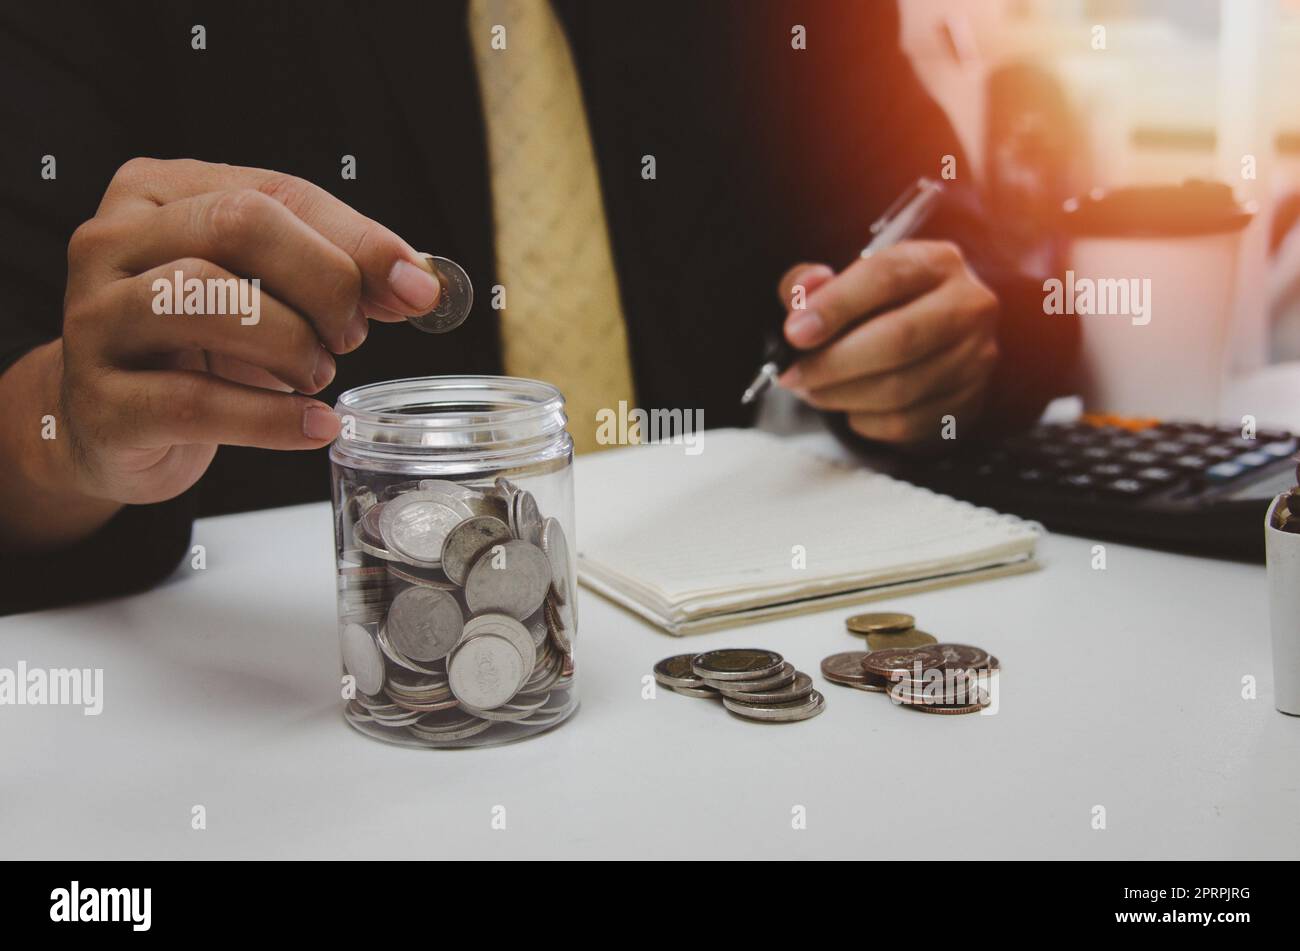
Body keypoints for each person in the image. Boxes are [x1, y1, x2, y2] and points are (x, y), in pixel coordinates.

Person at [0, 0, 1078, 613]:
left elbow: (942, 230)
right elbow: (29, 412)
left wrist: (946, 348)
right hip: (278, 681)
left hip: (727, 611)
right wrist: (64, 430)